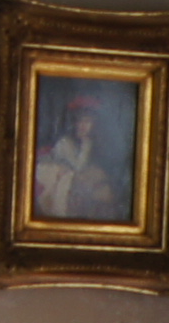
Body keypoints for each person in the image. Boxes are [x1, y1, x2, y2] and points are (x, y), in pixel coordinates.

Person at [33, 81, 136, 223]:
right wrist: (86, 146)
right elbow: (77, 167)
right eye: (79, 122)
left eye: (87, 122)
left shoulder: (98, 144)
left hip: (75, 176)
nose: (82, 126)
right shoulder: (65, 143)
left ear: (94, 124)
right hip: (49, 171)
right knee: (69, 179)